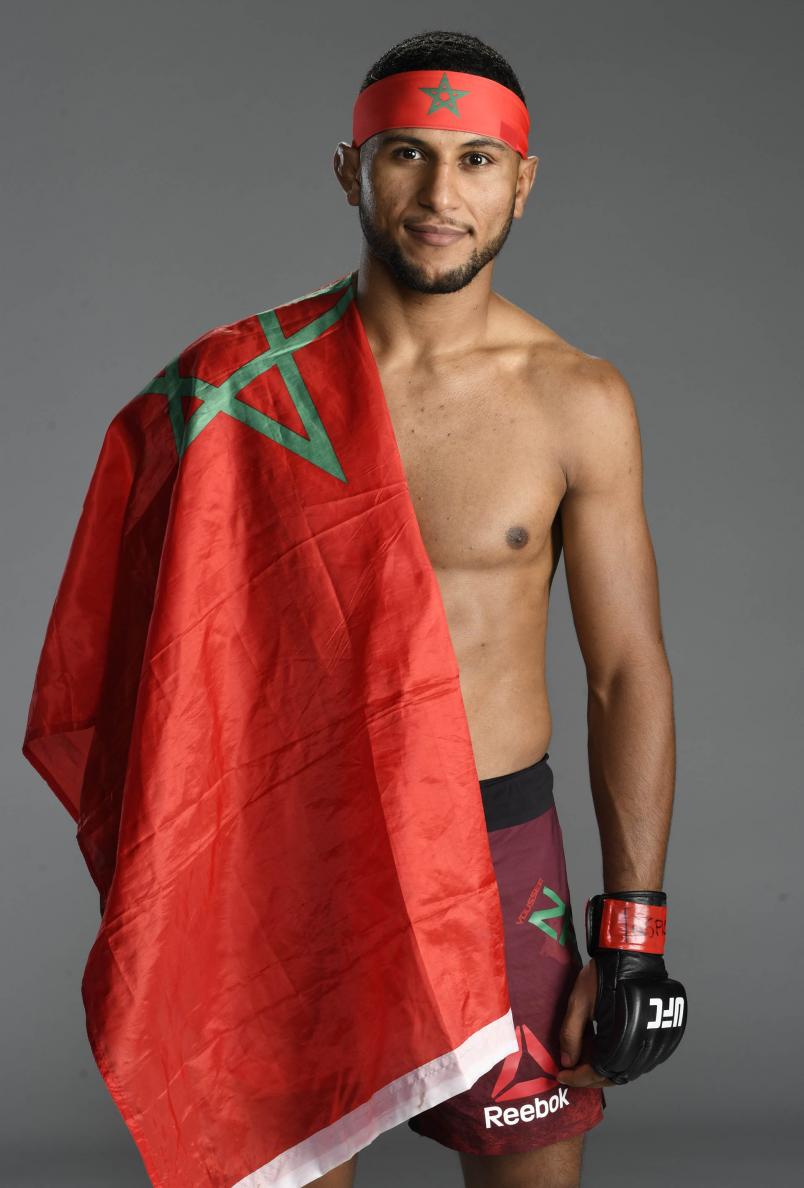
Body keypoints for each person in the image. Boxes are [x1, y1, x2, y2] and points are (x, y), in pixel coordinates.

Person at [317, 28, 684, 1188]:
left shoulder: (576, 399)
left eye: (478, 160)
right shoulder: (254, 391)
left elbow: (626, 669)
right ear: (351, 168)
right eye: (405, 155)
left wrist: (632, 932)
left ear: (521, 182)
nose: (440, 193)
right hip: (298, 845)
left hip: (497, 855)